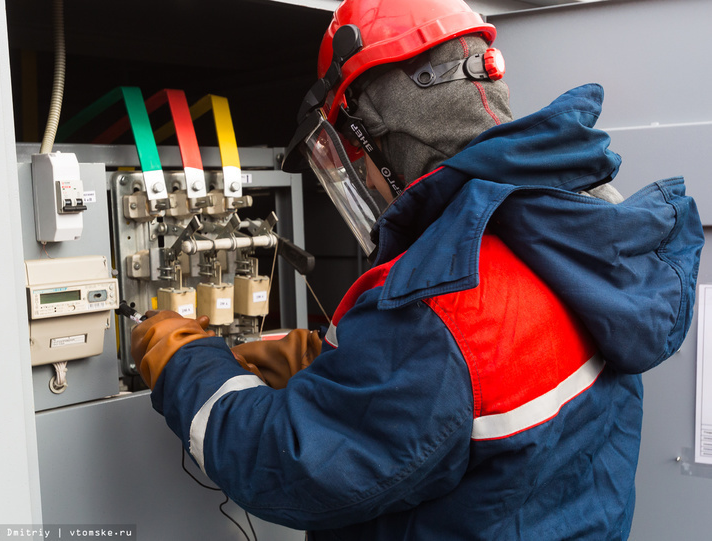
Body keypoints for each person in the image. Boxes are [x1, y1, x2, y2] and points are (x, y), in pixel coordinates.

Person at [130, 0, 705, 538]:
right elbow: (461, 391)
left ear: (380, 134)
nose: (368, 180)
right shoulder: (581, 225)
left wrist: (183, 358)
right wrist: (348, 363)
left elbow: (289, 460)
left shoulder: (444, 303)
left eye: (357, 160)